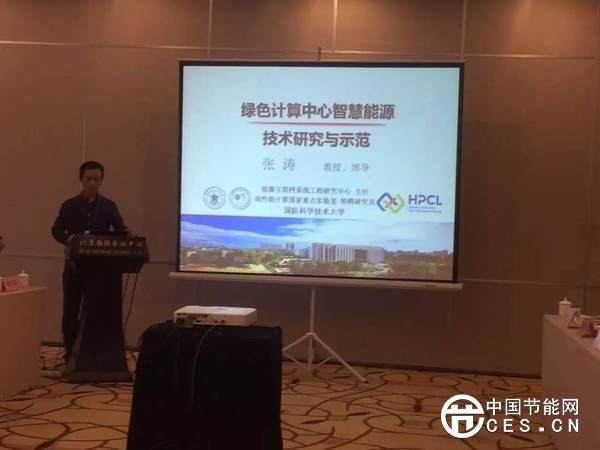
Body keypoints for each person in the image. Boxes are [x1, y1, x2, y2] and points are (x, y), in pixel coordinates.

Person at [51, 161, 128, 362]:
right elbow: (56, 230)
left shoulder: (109, 206)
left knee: (97, 311)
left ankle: (93, 355)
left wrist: (128, 235)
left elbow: (121, 230)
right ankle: (70, 354)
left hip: (100, 270)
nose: (92, 183)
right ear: (81, 179)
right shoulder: (69, 205)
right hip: (74, 267)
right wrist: (68, 239)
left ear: (101, 180)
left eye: (96, 179)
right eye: (88, 179)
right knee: (71, 310)